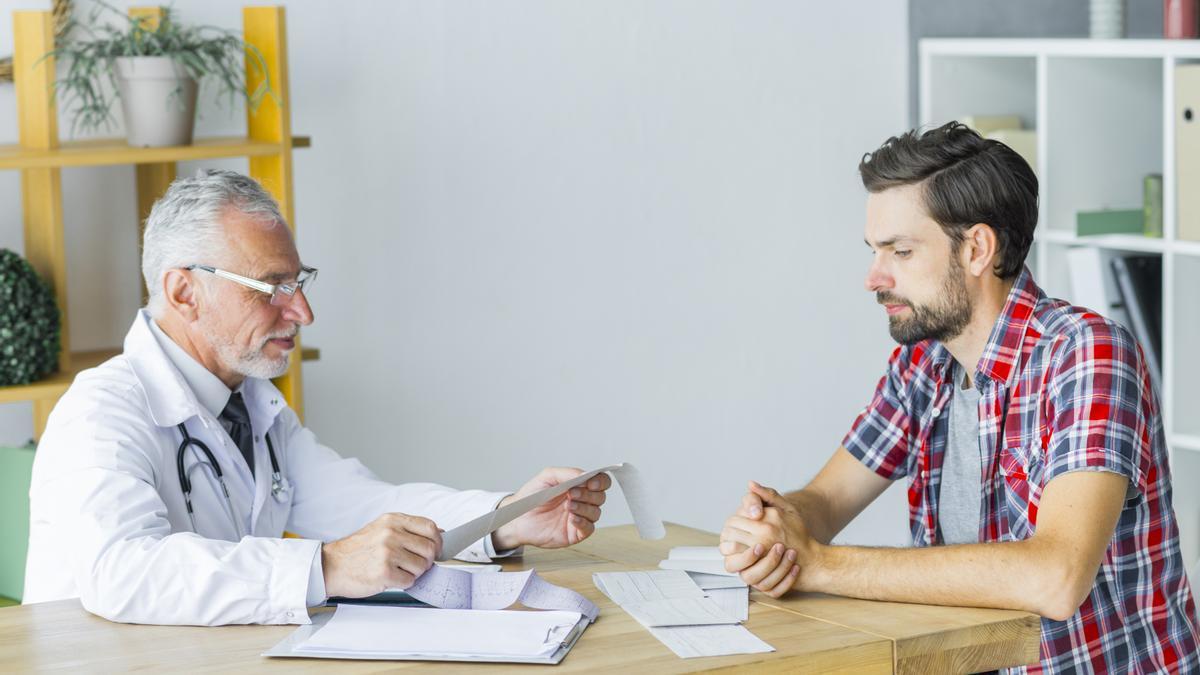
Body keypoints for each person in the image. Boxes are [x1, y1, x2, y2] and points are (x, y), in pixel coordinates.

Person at [23, 169, 612, 626]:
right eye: (271, 287)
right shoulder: (101, 413)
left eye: (298, 282)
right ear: (184, 292)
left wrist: (506, 516)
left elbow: (365, 506)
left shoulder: (250, 404)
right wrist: (325, 566)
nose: (302, 312)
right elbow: (121, 572)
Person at [720, 122, 1200, 672]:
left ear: (977, 249)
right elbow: (826, 502)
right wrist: (779, 529)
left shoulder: (1086, 355)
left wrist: (822, 564)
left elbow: (1057, 577)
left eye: (900, 251)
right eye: (875, 252)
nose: (874, 278)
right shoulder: (922, 365)